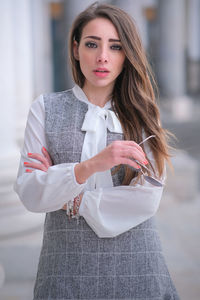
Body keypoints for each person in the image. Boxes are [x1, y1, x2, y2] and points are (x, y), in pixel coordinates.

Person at [14, 2, 180, 299]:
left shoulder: (145, 115)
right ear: (76, 49)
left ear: (127, 55)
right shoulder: (44, 108)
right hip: (65, 268)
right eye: (92, 44)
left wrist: (69, 199)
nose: (102, 57)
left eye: (115, 47)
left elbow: (146, 199)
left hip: (137, 266)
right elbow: (30, 192)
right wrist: (89, 166)